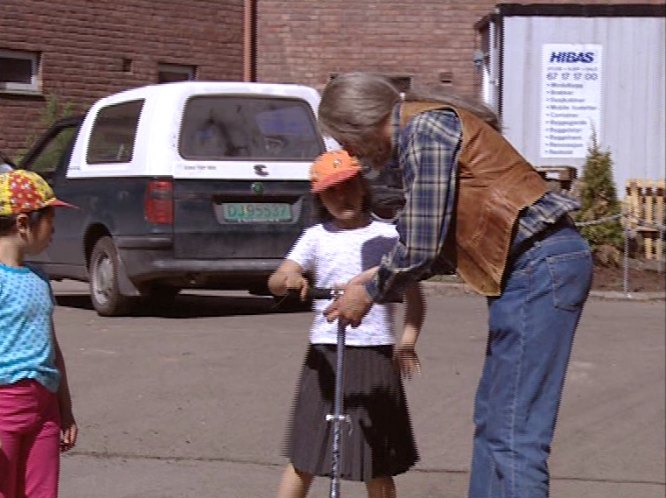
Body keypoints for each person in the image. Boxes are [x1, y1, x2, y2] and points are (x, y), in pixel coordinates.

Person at [317, 73, 593, 498]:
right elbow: (443, 243)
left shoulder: (423, 131)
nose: (349, 153)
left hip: (537, 266)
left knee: (516, 433)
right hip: (527, 268)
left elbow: (422, 244)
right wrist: (372, 279)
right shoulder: (423, 128)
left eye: (344, 140)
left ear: (360, 126)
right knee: (495, 422)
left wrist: (369, 293)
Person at [268, 150, 425, 498]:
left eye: (348, 186)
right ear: (320, 197)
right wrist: (290, 278)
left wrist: (408, 340)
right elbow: (277, 279)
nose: (342, 197)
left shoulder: (390, 237)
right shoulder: (315, 237)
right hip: (324, 357)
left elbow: (415, 297)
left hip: (375, 356)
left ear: (362, 187)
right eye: (331, 191)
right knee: (304, 453)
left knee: (377, 459)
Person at [0, 170, 79, 498]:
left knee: (42, 492)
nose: (54, 229)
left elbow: (52, 348)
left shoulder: (39, 278)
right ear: (22, 224)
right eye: (49, 219)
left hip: (44, 407)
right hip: (4, 407)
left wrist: (65, 408)